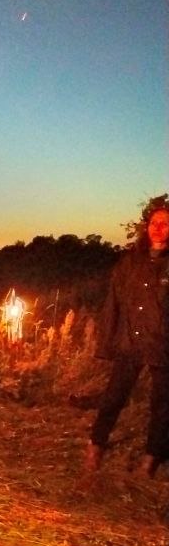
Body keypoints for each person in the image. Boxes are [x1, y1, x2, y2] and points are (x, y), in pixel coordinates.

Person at [87, 195, 169, 476]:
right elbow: (114, 302)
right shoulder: (129, 262)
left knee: (163, 405)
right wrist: (108, 340)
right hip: (130, 342)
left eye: (166, 224)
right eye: (154, 223)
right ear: (146, 228)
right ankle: (96, 446)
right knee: (113, 397)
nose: (159, 228)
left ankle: (150, 459)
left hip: (164, 345)